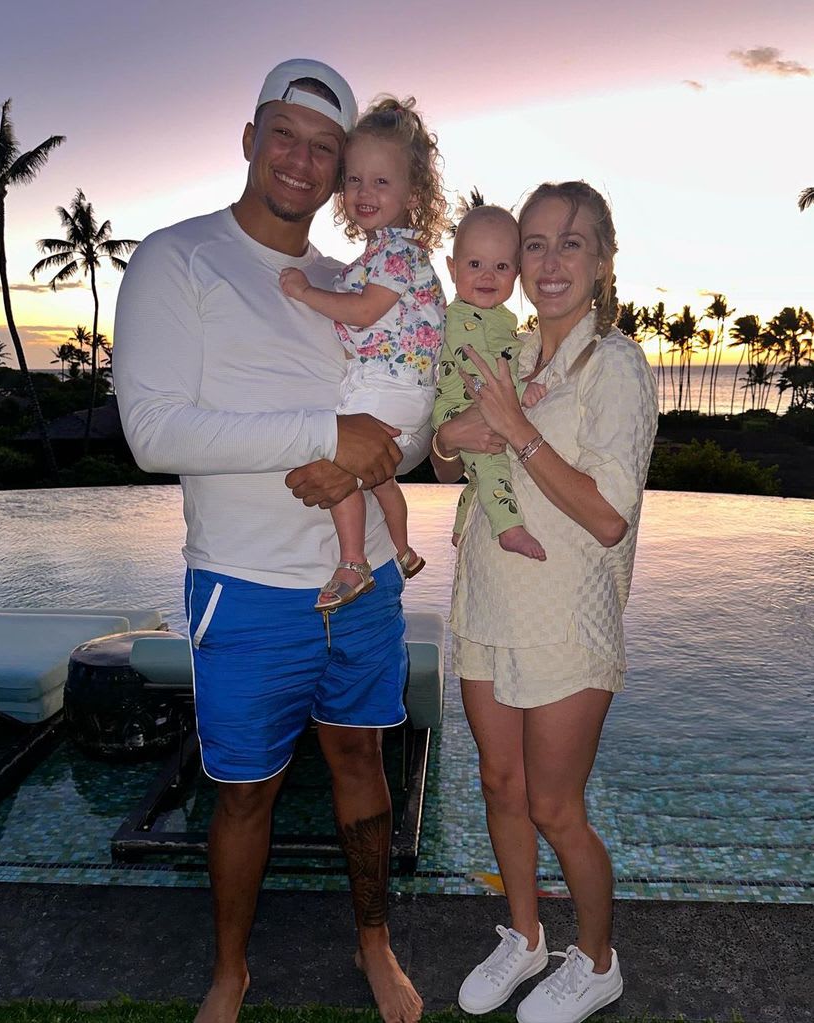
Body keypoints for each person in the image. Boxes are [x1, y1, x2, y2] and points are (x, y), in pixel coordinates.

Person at [113, 58, 426, 1023]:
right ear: (250, 139)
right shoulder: (178, 258)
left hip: (362, 576)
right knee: (244, 791)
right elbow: (152, 432)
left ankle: (375, 941)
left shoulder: (349, 279)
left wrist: (362, 461)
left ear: (341, 172)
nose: (301, 158)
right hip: (243, 586)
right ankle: (229, 968)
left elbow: (400, 426)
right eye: (283, 134)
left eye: (324, 147)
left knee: (363, 764)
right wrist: (323, 440)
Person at [431, 181, 658, 1023]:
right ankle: (525, 936)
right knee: (499, 783)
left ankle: (595, 961)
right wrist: (451, 438)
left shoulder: (616, 365)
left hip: (566, 616)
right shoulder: (508, 346)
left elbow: (607, 516)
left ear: (601, 260)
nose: (550, 261)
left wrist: (518, 429)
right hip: (486, 599)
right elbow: (449, 450)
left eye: (572, 243)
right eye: (536, 243)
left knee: (557, 806)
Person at [279, 96, 447, 612]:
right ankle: (401, 551)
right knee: (382, 478)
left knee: (338, 459)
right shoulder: (381, 252)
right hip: (393, 388)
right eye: (354, 180)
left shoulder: (397, 252)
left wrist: (306, 293)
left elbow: (366, 311)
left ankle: (353, 564)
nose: (364, 192)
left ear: (412, 192)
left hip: (389, 388)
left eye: (381, 182)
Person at [431, 205, 545, 558]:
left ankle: (462, 524)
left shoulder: (498, 316)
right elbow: (478, 366)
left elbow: (503, 354)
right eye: (475, 264)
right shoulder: (460, 317)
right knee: (493, 462)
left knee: (484, 472)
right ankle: (508, 529)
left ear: (517, 273)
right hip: (462, 406)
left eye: (501, 267)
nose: (487, 276)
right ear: (452, 268)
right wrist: (523, 391)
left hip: (478, 402)